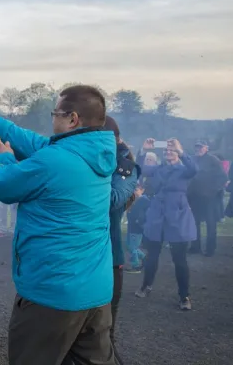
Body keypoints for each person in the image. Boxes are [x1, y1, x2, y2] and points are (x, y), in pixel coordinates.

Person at [0, 85, 119, 365]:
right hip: (95, 292)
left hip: (53, 293)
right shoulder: (96, 152)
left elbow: (2, 185)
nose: (52, 119)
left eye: (55, 113)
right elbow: (41, 145)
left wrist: (3, 157)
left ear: (72, 119)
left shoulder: (55, 160)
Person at [135, 138, 198, 310]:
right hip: (157, 213)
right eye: (166, 151)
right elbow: (139, 169)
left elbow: (194, 169)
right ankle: (146, 285)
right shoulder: (157, 169)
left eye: (172, 150)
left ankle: (184, 295)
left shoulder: (184, 170)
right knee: (152, 254)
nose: (169, 152)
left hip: (177, 214)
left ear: (178, 152)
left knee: (180, 258)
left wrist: (182, 151)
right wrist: (143, 150)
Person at [101, 116, 140, 344]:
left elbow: (113, 200)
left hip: (109, 259)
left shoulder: (125, 168)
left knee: (104, 334)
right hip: (80, 256)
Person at [186, 141, 228, 256]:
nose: (198, 149)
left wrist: (212, 191)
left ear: (206, 148)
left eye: (201, 147)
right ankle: (195, 246)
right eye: (196, 147)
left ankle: (210, 249)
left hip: (210, 198)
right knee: (194, 223)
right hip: (194, 197)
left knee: (211, 223)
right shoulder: (191, 159)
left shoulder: (213, 160)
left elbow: (223, 177)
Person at [126, 184, 149, 273]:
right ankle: (145, 258)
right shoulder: (133, 200)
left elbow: (144, 215)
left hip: (137, 227)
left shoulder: (144, 201)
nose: (134, 191)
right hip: (131, 226)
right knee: (130, 246)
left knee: (133, 247)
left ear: (142, 190)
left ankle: (135, 266)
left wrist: (139, 221)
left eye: (136, 189)